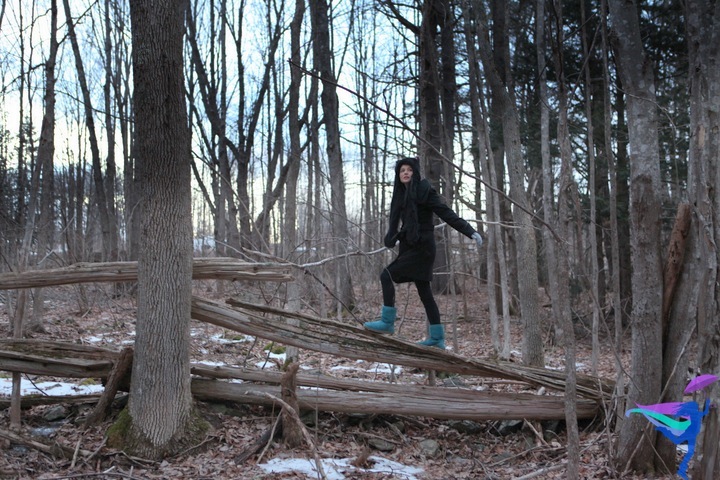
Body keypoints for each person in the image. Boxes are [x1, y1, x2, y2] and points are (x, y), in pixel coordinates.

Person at [364, 157, 483, 349]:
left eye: (409, 170)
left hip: (423, 247)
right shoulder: (399, 195)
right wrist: (391, 237)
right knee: (425, 292)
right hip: (409, 245)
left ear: (415, 173)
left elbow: (446, 213)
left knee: (386, 275)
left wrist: (470, 231)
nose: (405, 173)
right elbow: (394, 222)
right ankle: (437, 338)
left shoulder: (424, 191)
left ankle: (387, 322)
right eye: (402, 170)